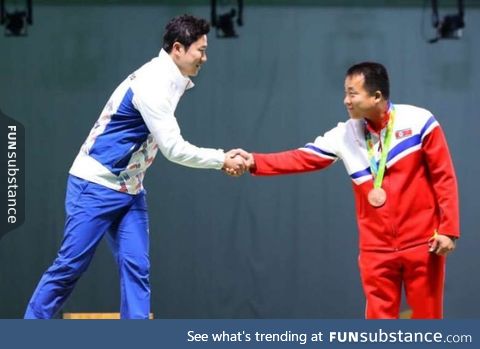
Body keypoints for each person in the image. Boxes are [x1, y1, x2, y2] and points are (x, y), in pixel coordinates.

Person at [25, 14, 248, 319]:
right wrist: (222, 159)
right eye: (201, 50)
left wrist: (221, 157)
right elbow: (173, 149)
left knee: (137, 268)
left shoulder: (173, 80)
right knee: (69, 267)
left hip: (130, 191)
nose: (205, 58)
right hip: (93, 186)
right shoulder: (153, 84)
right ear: (178, 49)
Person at [236, 62, 460, 319]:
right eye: (345, 93)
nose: (346, 100)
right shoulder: (345, 134)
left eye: (352, 93)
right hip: (376, 250)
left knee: (427, 321)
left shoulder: (420, 121)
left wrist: (448, 230)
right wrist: (254, 161)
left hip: (423, 243)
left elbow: (444, 177)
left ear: (376, 96)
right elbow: (301, 157)